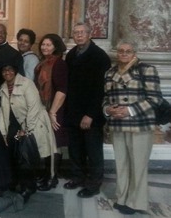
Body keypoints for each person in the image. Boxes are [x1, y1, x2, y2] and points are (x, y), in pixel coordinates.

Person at [102, 41, 160, 215]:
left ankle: (136, 202)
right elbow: (106, 97)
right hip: (118, 124)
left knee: (138, 165)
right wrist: (108, 109)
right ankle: (122, 198)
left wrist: (129, 110)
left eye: (128, 51)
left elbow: (154, 98)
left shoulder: (146, 69)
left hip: (139, 124)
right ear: (117, 53)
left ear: (134, 52)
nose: (124, 54)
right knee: (121, 164)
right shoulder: (110, 72)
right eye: (121, 51)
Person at [0, 59, 56, 202]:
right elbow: (3, 112)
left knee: (25, 157)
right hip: (16, 125)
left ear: (15, 71)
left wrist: (26, 129)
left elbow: (34, 107)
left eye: (10, 69)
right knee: (13, 153)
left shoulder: (26, 84)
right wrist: (3, 132)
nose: (7, 73)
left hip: (33, 124)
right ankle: (14, 182)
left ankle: (28, 187)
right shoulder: (4, 87)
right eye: (4, 70)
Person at [64, 22, 111, 198]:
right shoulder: (71, 55)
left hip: (91, 114)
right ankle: (78, 177)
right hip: (73, 112)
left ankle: (93, 184)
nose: (79, 35)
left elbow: (100, 89)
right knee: (75, 149)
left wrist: (90, 114)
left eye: (82, 32)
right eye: (76, 32)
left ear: (90, 34)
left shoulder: (100, 56)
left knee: (93, 151)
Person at [34, 33, 68, 191]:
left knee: (54, 143)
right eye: (43, 44)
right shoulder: (42, 64)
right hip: (43, 108)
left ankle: (53, 177)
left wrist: (52, 112)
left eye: (48, 45)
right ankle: (47, 173)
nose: (45, 47)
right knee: (47, 142)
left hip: (55, 109)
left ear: (55, 47)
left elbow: (62, 90)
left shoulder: (59, 63)